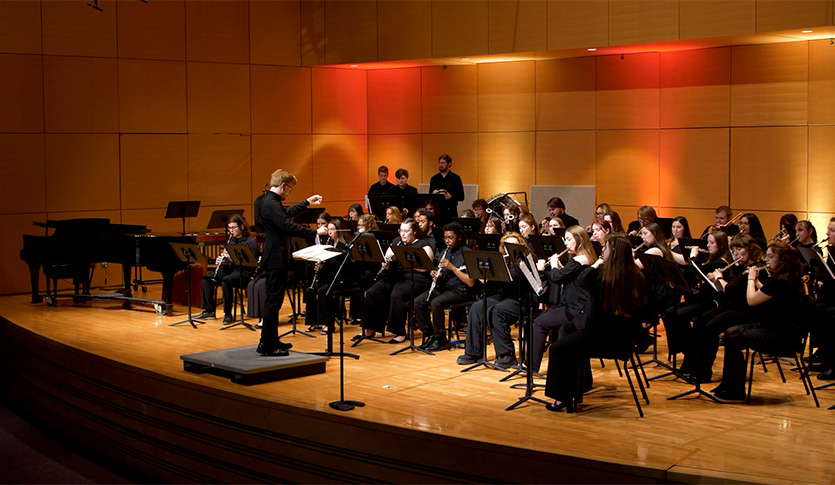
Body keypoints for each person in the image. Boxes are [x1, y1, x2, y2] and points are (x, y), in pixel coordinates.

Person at [544, 234, 648, 412]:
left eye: (605, 248)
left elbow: (583, 279)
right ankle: (578, 388)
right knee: (569, 334)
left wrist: (598, 262)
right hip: (626, 339)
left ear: (612, 252)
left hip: (601, 338)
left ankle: (562, 398)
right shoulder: (638, 277)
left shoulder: (600, 277)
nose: (602, 251)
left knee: (558, 348)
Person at [710, 240, 805, 402]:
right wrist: (758, 282)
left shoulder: (778, 282)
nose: (766, 260)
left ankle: (735, 390)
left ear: (782, 260)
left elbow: (752, 300)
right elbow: (768, 294)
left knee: (732, 335)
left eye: (770, 257)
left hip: (781, 334)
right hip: (783, 328)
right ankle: (728, 385)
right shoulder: (787, 278)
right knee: (731, 332)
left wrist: (750, 279)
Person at [257, 169, 327, 357]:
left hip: (274, 257)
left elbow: (286, 213)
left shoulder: (268, 201)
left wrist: (306, 202)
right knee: (274, 301)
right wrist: (315, 233)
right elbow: (286, 224)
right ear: (282, 186)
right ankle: (267, 344)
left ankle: (270, 339)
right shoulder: (271, 203)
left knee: (275, 300)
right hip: (275, 257)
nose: (289, 193)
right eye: (289, 190)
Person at [530, 226, 597, 373]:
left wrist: (554, 265)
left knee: (540, 323)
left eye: (568, 239)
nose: (566, 244)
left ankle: (531, 366)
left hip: (576, 309)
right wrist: (560, 267)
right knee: (547, 321)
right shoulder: (584, 259)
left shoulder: (580, 259)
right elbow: (569, 278)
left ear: (579, 240)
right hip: (577, 306)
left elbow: (556, 278)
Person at [356, 218, 434, 343]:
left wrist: (406, 262)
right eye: (401, 231)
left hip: (417, 278)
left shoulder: (424, 245)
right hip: (396, 276)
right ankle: (369, 328)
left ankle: (399, 332)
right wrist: (386, 263)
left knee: (397, 295)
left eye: (406, 231)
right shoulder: (397, 242)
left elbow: (425, 268)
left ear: (414, 231)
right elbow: (386, 264)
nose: (402, 234)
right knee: (372, 292)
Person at [457, 232, 527, 369]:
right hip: (504, 296)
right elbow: (494, 284)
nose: (510, 248)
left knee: (496, 311)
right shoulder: (502, 261)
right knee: (477, 307)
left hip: (521, 298)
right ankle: (474, 352)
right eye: (507, 246)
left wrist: (497, 273)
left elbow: (515, 278)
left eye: (513, 245)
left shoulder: (525, 260)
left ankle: (507, 354)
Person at [413, 223, 476, 351]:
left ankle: (441, 339)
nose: (447, 240)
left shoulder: (467, 254)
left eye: (451, 237)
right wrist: (436, 274)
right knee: (418, 302)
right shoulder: (444, 252)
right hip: (444, 288)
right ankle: (430, 335)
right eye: (445, 238)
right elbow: (440, 273)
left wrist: (452, 267)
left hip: (461, 290)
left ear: (459, 237)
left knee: (436, 303)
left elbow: (470, 282)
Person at [195, 214, 259, 323]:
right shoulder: (231, 240)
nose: (231, 231)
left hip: (245, 272)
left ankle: (228, 314)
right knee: (207, 279)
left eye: (233, 228)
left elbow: (251, 265)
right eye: (229, 228)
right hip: (230, 271)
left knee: (226, 280)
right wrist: (222, 262)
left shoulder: (250, 242)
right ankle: (209, 310)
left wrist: (232, 258)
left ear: (242, 227)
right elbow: (228, 263)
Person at [305, 219, 348, 334]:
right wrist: (319, 266)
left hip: (338, 279)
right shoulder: (327, 245)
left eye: (332, 229)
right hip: (327, 278)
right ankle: (313, 322)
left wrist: (327, 263)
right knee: (310, 290)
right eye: (328, 229)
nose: (330, 232)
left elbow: (341, 268)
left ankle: (328, 323)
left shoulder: (343, 247)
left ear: (338, 231)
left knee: (323, 291)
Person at [429, 154, 465, 226]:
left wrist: (450, 196)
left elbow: (461, 196)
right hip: (438, 212)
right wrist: (433, 194)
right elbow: (429, 196)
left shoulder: (455, 178)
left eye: (443, 163)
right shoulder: (434, 178)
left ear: (449, 164)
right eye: (439, 163)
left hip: (450, 211)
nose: (440, 165)